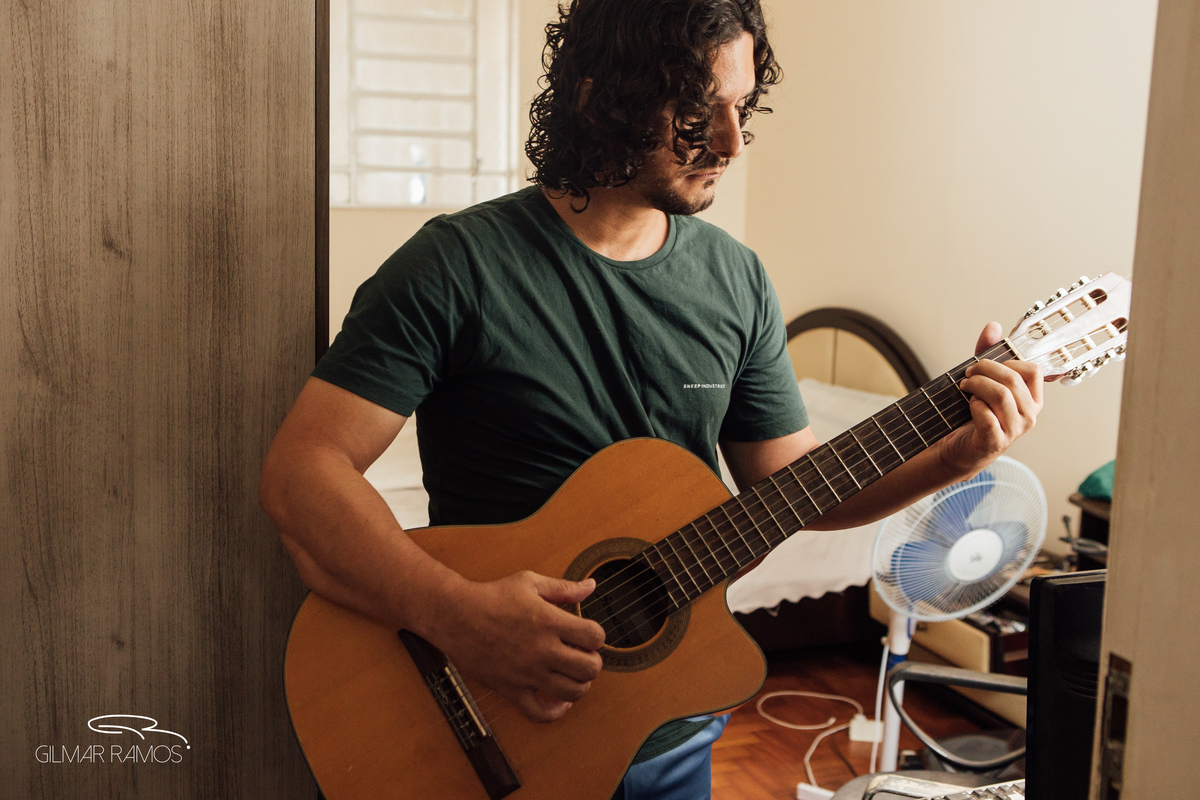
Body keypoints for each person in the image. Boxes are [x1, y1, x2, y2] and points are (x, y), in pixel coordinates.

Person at [258, 0, 1043, 797]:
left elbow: (793, 485)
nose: (732, 144)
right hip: (481, 726)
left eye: (741, 108)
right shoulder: (455, 267)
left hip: (673, 729)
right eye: (699, 112)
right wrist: (460, 616)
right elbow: (302, 473)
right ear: (603, 98)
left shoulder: (736, 280)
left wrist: (956, 457)